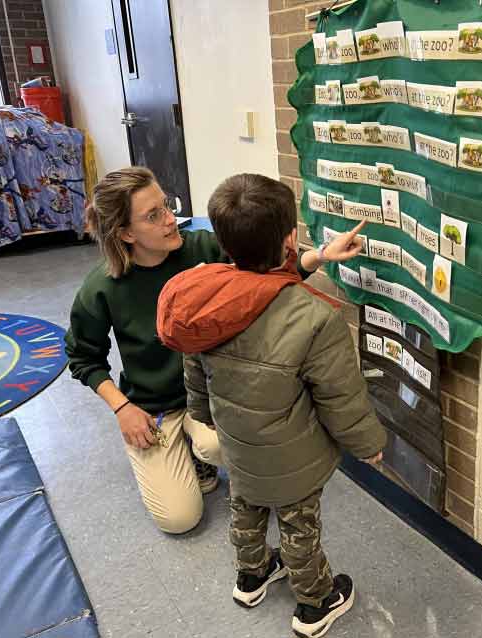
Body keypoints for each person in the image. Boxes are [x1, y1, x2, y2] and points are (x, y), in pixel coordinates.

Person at [64, 167, 364, 534]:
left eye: (166, 205)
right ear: (126, 233)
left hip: (211, 392)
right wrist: (122, 408)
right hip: (153, 406)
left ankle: (199, 449)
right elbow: (82, 357)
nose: (171, 219)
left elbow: (264, 280)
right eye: (153, 216)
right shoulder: (101, 288)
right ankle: (185, 450)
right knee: (179, 520)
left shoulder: (204, 249)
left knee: (229, 446)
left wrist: (319, 257)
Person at [157, 173, 387, 637]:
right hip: (292, 457)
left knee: (245, 506)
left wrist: (204, 416)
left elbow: (194, 374)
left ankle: (252, 575)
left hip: (237, 445)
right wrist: (368, 445)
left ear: (223, 240)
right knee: (299, 526)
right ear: (288, 239)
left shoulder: (203, 300)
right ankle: (316, 603)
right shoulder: (313, 317)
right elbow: (341, 396)